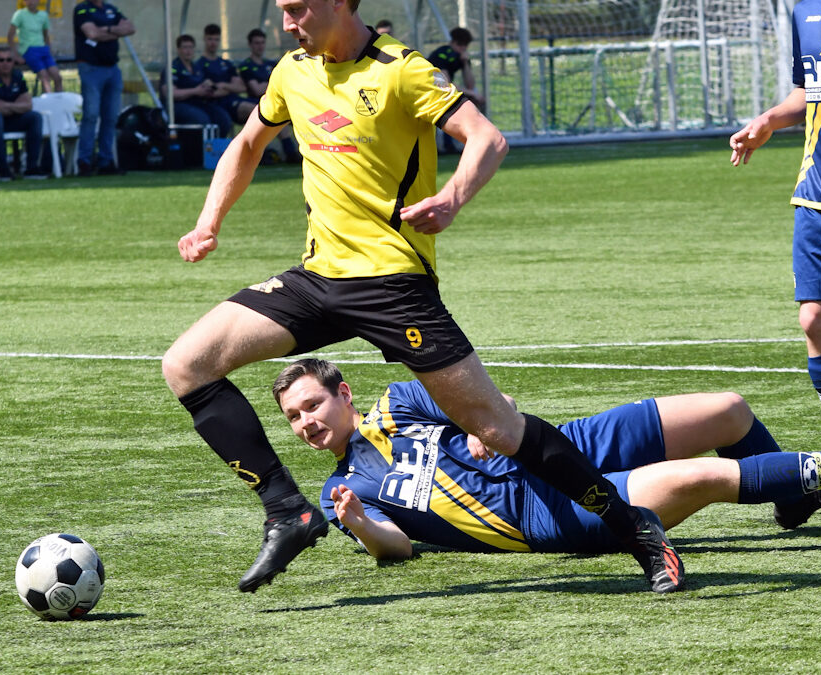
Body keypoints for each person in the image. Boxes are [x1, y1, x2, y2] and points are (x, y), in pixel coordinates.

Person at [162, 0, 684, 597]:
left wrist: (454, 198)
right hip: (317, 278)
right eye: (282, 10)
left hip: (393, 284)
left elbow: (487, 138)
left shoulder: (401, 69)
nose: (286, 22)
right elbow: (248, 144)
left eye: (297, 8)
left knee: (494, 424)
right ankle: (287, 510)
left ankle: (632, 524)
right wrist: (209, 222)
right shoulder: (291, 71)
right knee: (186, 364)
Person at [273, 358, 821, 562]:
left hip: (557, 447)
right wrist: (360, 524)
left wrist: (486, 428)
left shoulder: (399, 400)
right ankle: (810, 478)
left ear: (342, 394)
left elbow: (499, 404)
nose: (307, 423)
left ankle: (790, 497)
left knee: (728, 410)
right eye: (294, 418)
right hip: (536, 511)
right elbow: (397, 547)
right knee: (705, 475)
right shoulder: (340, 490)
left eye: (311, 406)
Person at [730, 0, 821, 434]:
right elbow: (812, 89)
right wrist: (772, 119)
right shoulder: (807, 9)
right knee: (815, 319)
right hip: (819, 193)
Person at [72, 0, 136, 176]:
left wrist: (104, 31)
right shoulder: (82, 9)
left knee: (110, 117)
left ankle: (106, 161)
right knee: (91, 115)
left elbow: (130, 28)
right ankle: (84, 162)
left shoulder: (111, 9)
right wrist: (114, 30)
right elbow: (91, 33)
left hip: (112, 69)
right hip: (91, 68)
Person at [237, 28, 300, 163]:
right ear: (250, 45)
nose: (260, 46)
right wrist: (276, 84)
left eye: (262, 43)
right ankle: (290, 152)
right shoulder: (246, 66)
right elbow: (256, 89)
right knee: (277, 115)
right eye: (256, 43)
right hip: (257, 103)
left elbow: (287, 82)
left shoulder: (271, 64)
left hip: (277, 101)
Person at [161, 35, 233, 138]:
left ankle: (218, 150)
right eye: (185, 47)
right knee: (201, 119)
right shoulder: (172, 68)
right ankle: (200, 151)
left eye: (191, 47)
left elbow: (207, 86)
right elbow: (169, 93)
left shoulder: (197, 68)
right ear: (178, 50)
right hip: (177, 106)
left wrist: (210, 87)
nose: (188, 51)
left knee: (223, 118)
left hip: (198, 103)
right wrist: (195, 91)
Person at [426, 27, 485, 154]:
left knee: (474, 98)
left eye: (465, 45)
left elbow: (470, 84)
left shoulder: (460, 57)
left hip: (442, 90)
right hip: (429, 91)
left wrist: (465, 64)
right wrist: (472, 93)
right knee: (450, 105)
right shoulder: (441, 55)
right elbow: (444, 84)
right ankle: (443, 144)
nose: (462, 48)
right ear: (452, 42)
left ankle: (471, 139)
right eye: (459, 44)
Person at [0, 45, 48, 181]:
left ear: (13, 62)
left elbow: (28, 104)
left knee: (35, 117)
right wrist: (15, 105)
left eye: (8, 60)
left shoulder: (18, 76)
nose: (5, 63)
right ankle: (3, 170)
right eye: (1, 60)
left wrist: (5, 106)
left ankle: (31, 168)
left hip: (13, 119)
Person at [197, 24, 256, 127]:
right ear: (204, 39)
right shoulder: (199, 65)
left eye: (216, 39)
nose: (213, 43)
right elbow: (210, 93)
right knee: (255, 111)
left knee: (269, 108)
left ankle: (286, 142)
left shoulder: (226, 63)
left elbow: (242, 87)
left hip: (234, 99)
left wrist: (223, 85)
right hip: (217, 104)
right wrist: (230, 88)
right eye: (210, 39)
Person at [7, 0, 63, 94]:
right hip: (29, 50)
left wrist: (49, 50)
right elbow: (10, 36)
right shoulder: (20, 14)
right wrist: (16, 55)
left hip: (43, 50)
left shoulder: (43, 15)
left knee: (57, 77)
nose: (31, 2)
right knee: (45, 78)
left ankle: (60, 102)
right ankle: (47, 104)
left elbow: (45, 35)